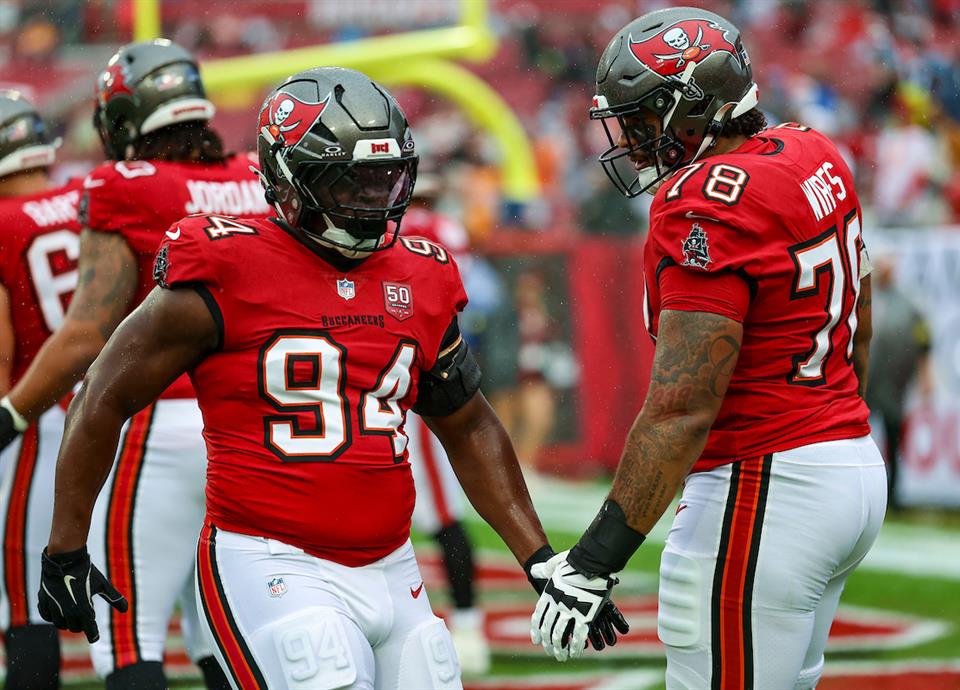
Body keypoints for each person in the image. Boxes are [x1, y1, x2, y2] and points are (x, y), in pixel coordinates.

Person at [34, 67, 627, 689]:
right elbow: (101, 397)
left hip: (395, 567)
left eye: (384, 177)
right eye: (350, 181)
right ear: (288, 180)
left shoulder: (420, 274)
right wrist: (66, 547)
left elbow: (468, 422)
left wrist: (540, 560)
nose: (373, 199)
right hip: (271, 561)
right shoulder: (225, 264)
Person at [530, 8, 884, 690]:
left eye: (642, 119)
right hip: (848, 465)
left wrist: (596, 560)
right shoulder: (812, 151)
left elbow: (682, 407)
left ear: (694, 109)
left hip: (766, 482)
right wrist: (828, 427)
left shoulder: (706, 202)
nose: (632, 142)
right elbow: (859, 319)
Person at [0, 39, 270, 689]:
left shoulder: (122, 185)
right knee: (227, 634)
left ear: (122, 119)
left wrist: (11, 413)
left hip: (154, 422)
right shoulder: (254, 177)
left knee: (127, 638)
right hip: (253, 424)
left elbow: (86, 332)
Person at [0, 90, 82, 690]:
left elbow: (2, 350)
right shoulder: (90, 196)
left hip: (42, 415)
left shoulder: (4, 223)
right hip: (133, 412)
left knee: (23, 593)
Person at [402, 174, 490, 675]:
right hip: (437, 364)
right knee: (442, 511)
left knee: (434, 511)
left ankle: (468, 621)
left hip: (400, 373)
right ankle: (468, 620)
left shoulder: (396, 229)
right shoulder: (446, 229)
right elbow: (464, 298)